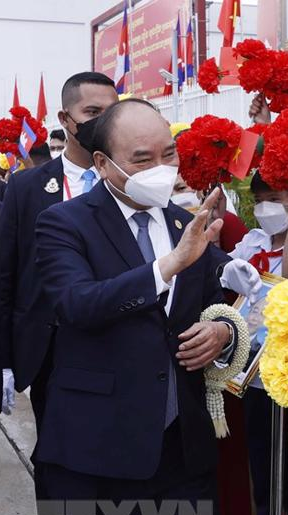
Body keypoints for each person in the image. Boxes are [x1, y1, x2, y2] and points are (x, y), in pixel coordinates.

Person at [33, 98, 239, 510]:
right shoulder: (64, 222)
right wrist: (167, 266)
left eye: (169, 154)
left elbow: (215, 306)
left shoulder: (185, 221)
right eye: (142, 159)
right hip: (95, 449)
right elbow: (77, 303)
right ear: (103, 163)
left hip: (181, 448)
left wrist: (223, 332)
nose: (161, 169)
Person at [0, 72, 118, 440]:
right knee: (56, 459)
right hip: (48, 349)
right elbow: (5, 275)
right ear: (66, 119)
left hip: (114, 343)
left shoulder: (127, 181)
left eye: (111, 112)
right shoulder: (26, 187)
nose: (103, 122)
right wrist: (4, 360)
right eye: (93, 111)